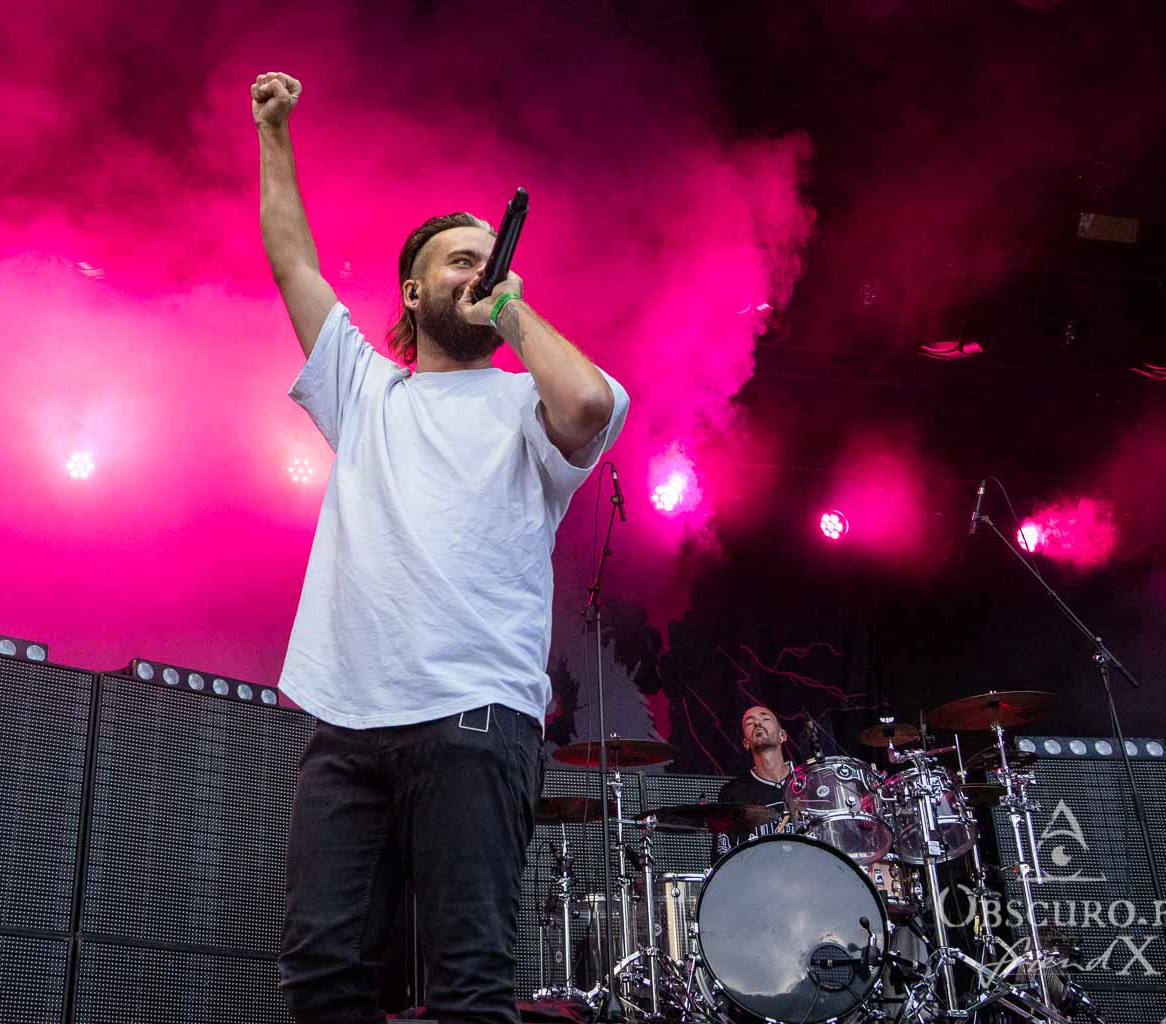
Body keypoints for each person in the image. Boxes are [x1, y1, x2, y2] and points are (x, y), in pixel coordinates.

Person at [252, 71, 630, 1024]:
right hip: (348, 719)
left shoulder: (527, 401)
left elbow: (590, 405)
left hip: (474, 713)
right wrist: (275, 135)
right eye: (459, 262)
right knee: (321, 969)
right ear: (413, 291)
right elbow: (293, 263)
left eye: (491, 262)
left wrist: (511, 312)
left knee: (467, 981)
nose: (478, 273)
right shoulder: (365, 390)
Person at [713, 705, 794, 855]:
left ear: (782, 736)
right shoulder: (733, 792)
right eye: (750, 723)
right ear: (746, 743)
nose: (757, 723)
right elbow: (722, 855)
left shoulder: (807, 781)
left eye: (765, 718)